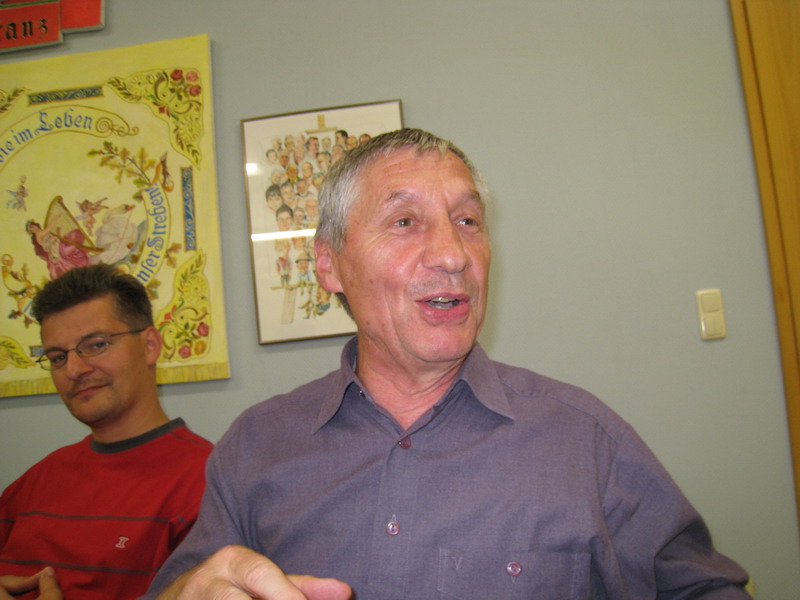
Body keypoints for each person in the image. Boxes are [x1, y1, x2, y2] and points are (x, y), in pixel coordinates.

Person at [144, 128, 751, 600]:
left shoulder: (585, 439)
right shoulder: (255, 446)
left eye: (467, 221)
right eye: (405, 222)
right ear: (329, 265)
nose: (453, 254)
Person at [0, 264, 212, 600]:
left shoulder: (207, 483)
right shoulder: (32, 484)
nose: (74, 370)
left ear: (150, 345)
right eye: (57, 357)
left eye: (96, 345)